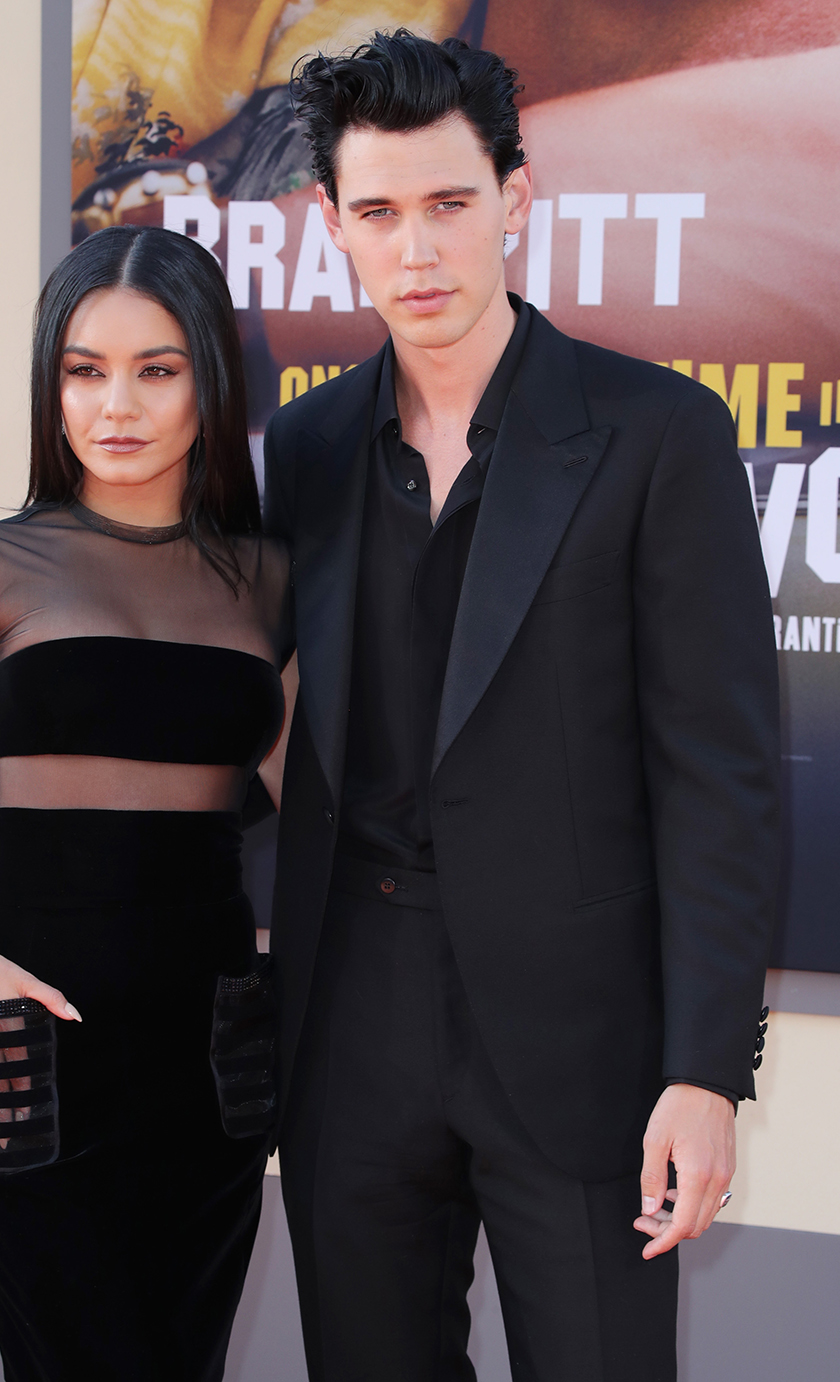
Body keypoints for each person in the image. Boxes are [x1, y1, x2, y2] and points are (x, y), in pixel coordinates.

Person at [257, 32, 778, 1382]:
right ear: (334, 227)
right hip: (351, 1019)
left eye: (449, 204)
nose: (416, 249)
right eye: (377, 213)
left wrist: (707, 1070)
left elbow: (721, 772)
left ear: (516, 200)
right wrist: (37, 792)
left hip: (584, 1041)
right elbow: (234, 704)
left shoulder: (657, 433)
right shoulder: (305, 454)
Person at [0, 224, 295, 1382]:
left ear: (210, 381)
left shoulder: (271, 582)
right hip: (24, 1033)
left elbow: (317, 803)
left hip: (211, 1061)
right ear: (49, 384)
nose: (118, 403)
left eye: (157, 368)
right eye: (83, 368)